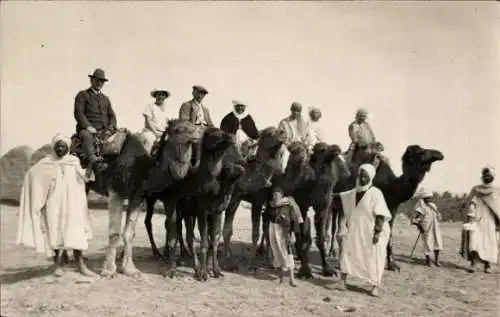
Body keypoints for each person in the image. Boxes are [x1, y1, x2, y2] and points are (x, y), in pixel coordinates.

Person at [16, 134, 95, 277]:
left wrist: (91, 164)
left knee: (76, 233)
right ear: (54, 147)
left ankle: (81, 265)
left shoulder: (74, 161)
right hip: (54, 204)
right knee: (55, 232)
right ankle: (58, 265)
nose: (60, 148)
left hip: (73, 204)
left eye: (63, 146)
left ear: (68, 147)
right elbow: (32, 174)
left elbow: (85, 177)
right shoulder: (47, 162)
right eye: (58, 146)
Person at [337, 163, 392, 297]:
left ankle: (375, 286)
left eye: (365, 177)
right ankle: (342, 281)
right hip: (357, 230)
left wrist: (377, 232)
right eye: (360, 176)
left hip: (372, 231)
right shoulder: (355, 191)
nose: (362, 179)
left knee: (374, 257)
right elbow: (343, 195)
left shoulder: (375, 193)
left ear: (371, 177)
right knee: (349, 252)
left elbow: (381, 214)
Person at [74, 68, 117, 172]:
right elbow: (79, 113)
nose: (99, 83)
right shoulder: (82, 95)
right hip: (89, 130)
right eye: (97, 80)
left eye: (101, 81)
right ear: (91, 80)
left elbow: (112, 115)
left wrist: (111, 127)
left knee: (123, 136)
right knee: (85, 135)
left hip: (105, 130)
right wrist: (88, 127)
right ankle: (95, 162)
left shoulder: (105, 99)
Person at [460, 166, 499, 274]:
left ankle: (487, 265)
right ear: (482, 176)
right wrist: (470, 217)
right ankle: (473, 264)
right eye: (485, 175)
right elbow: (471, 203)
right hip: (476, 219)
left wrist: (497, 222)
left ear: (493, 177)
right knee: (474, 242)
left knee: (489, 243)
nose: (487, 177)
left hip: (490, 221)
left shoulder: (496, 191)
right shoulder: (476, 189)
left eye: (489, 175)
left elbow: (498, 208)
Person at [268, 187, 303, 287]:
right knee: (276, 252)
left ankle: (292, 279)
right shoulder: (271, 205)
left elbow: (294, 221)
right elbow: (268, 217)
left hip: (284, 231)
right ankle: (281, 278)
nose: (275, 196)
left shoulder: (288, 205)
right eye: (274, 194)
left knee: (288, 253)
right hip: (273, 229)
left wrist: (293, 235)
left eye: (277, 194)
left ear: (281, 196)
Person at [411, 190, 443, 267]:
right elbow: (413, 219)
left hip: (435, 228)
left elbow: (438, 216)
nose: (429, 199)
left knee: (437, 242)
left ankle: (437, 260)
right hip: (426, 228)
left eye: (430, 198)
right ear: (423, 199)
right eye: (427, 198)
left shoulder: (434, 206)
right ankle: (428, 261)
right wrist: (419, 226)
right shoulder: (421, 208)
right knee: (428, 244)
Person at [141, 88, 174, 154]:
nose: (161, 97)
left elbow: (170, 123)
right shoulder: (150, 106)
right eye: (159, 95)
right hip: (151, 131)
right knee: (149, 140)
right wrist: (156, 133)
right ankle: (145, 160)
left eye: (163, 95)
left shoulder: (168, 109)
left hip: (164, 133)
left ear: (165, 97)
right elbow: (148, 122)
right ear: (155, 96)